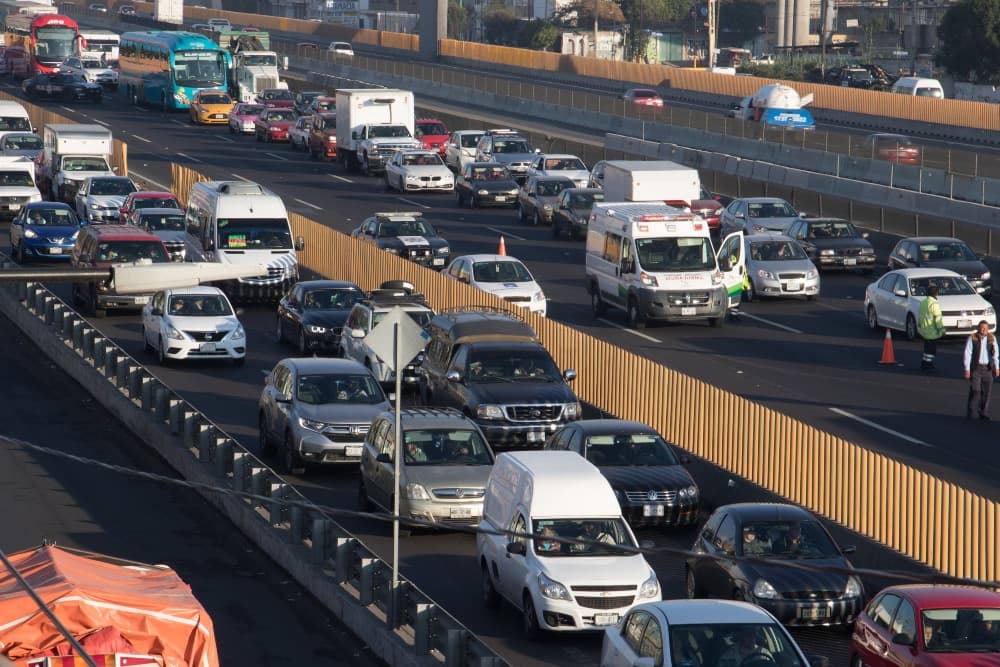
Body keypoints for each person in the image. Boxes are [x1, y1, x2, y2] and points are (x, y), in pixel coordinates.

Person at [963, 320, 999, 420]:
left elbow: (995, 353)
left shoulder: (992, 338)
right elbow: (967, 353)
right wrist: (967, 369)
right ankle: (971, 410)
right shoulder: (972, 338)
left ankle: (983, 412)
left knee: (986, 392)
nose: (983, 330)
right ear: (978, 328)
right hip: (976, 368)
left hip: (987, 368)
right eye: (982, 327)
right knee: (976, 390)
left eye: (985, 328)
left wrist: (997, 367)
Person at [917, 285, 946, 371]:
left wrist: (920, 326)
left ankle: (924, 363)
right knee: (931, 350)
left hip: (924, 330)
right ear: (936, 293)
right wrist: (942, 329)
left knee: (926, 349)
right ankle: (928, 365)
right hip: (932, 332)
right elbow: (938, 318)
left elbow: (920, 315)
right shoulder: (934, 304)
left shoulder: (923, 302)